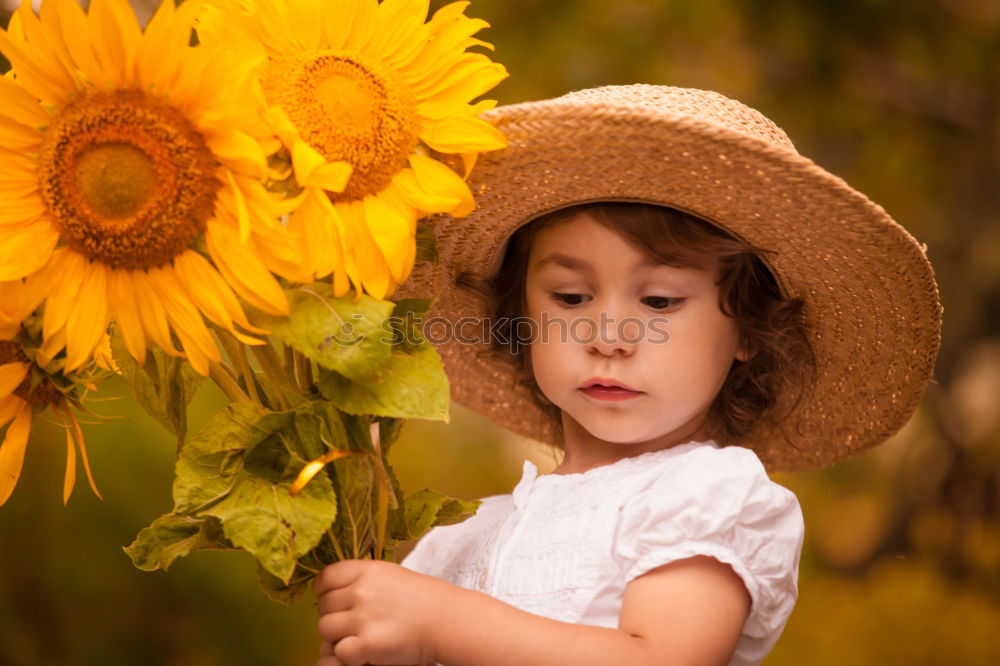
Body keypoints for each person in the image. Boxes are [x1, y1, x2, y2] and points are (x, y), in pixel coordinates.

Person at [311, 85, 943, 666]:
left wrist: (438, 620)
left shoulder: (704, 496)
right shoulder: (461, 534)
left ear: (749, 330)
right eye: (570, 298)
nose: (608, 337)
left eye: (660, 302)